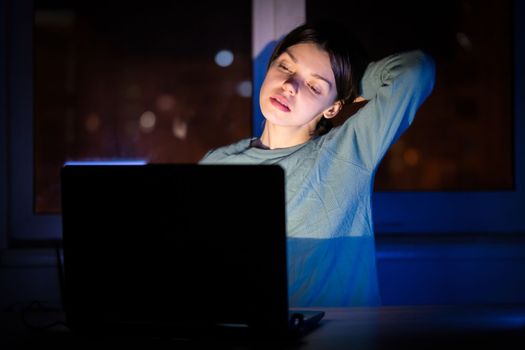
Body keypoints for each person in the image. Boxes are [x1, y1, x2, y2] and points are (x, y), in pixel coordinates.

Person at [199, 21, 436, 307]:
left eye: (313, 85)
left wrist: (346, 85)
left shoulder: (346, 153)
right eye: (285, 68)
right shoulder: (217, 163)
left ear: (333, 107)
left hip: (336, 337)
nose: (289, 86)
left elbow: (416, 70)